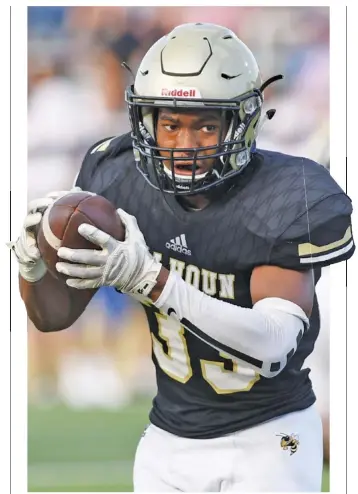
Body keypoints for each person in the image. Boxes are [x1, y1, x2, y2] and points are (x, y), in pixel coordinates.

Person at [10, 23, 354, 492]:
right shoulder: (118, 178)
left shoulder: (285, 195)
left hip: (270, 436)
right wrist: (31, 268)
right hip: (168, 441)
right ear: (146, 121)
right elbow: (52, 318)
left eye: (206, 125)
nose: (185, 145)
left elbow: (274, 344)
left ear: (242, 122)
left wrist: (153, 279)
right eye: (170, 124)